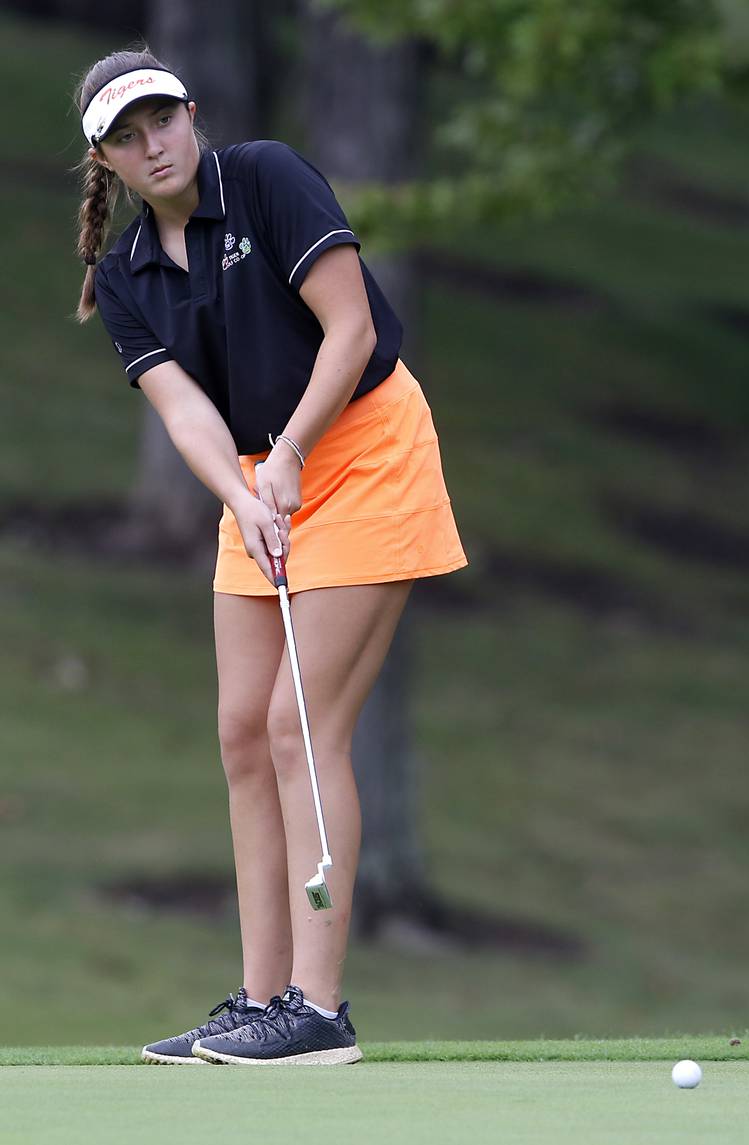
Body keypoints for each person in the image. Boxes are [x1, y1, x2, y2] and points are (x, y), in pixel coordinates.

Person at [73, 48, 467, 1066]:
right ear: (105, 159)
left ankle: (318, 1007)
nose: (150, 142)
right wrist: (243, 493)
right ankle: (258, 1002)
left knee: (300, 723)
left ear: (190, 112)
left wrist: (287, 454)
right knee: (242, 731)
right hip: (259, 479)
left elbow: (351, 328)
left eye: (160, 117)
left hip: (365, 449)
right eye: (125, 133)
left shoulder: (267, 177)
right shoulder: (124, 276)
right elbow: (185, 410)